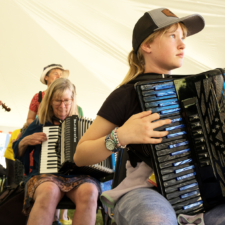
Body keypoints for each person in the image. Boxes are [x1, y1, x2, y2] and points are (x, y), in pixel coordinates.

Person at [74, 7, 225, 225]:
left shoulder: (203, 91)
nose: (182, 44)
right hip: (144, 191)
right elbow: (80, 155)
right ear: (147, 45)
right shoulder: (126, 94)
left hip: (206, 196)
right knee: (155, 220)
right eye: (172, 36)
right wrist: (120, 136)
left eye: (183, 38)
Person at [13, 78, 100, 225]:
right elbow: (18, 153)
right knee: (48, 190)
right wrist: (24, 141)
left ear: (73, 100)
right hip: (46, 176)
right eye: (57, 101)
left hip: (78, 177)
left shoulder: (80, 125)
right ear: (49, 101)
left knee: (90, 192)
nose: (62, 106)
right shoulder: (40, 122)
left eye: (66, 101)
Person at [25, 64, 83, 225]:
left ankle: (58, 217)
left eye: (66, 101)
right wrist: (30, 135)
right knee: (49, 184)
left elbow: (79, 124)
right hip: (43, 137)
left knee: (88, 189)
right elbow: (30, 120)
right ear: (46, 77)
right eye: (55, 73)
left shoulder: (76, 108)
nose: (63, 105)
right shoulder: (38, 97)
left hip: (72, 174)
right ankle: (53, 218)